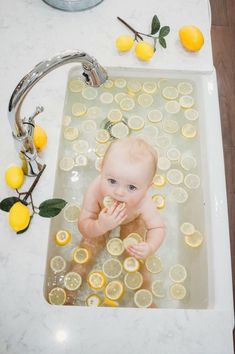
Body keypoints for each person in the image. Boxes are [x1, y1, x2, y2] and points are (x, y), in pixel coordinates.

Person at [67, 136, 166, 304]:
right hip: (99, 219)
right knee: (85, 253)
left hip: (131, 222)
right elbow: (84, 225)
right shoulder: (95, 190)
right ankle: (68, 294)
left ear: (148, 187)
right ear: (101, 169)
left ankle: (146, 300)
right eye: (112, 181)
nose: (119, 192)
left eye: (132, 187)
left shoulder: (143, 202)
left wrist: (149, 247)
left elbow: (158, 228)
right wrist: (100, 226)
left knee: (136, 259)